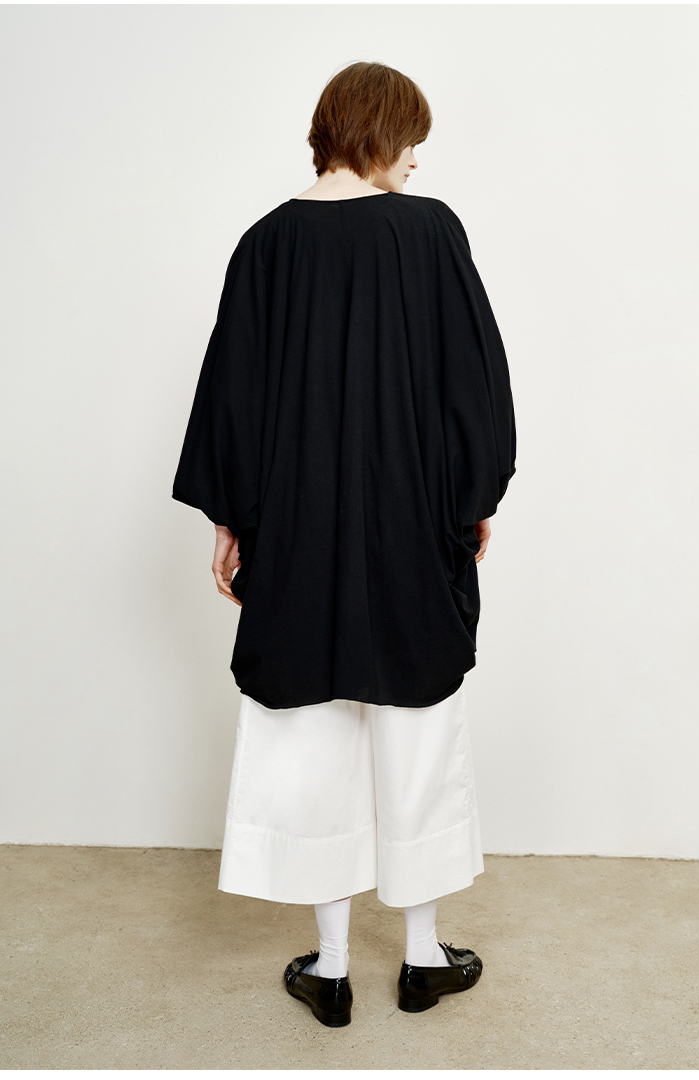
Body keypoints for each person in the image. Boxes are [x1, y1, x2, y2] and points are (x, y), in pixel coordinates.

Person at [172, 60, 516, 1028]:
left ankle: (329, 969)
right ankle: (421, 959)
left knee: (308, 734)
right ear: (378, 132)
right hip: (409, 525)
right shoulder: (431, 233)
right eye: (412, 141)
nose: (416, 160)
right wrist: (473, 499)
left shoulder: (265, 244)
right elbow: (473, 383)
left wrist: (231, 521)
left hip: (298, 534)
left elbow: (232, 398)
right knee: (417, 733)